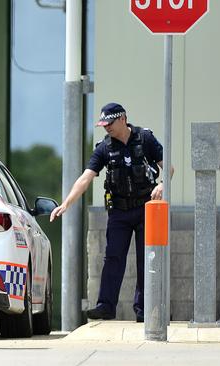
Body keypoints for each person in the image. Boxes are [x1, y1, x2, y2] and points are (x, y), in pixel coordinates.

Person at [50, 102, 173, 323]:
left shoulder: (145, 139)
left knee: (148, 259)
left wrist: (162, 184)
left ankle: (145, 310)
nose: (106, 128)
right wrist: (66, 203)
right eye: (103, 124)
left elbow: (169, 166)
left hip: (146, 209)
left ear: (122, 119)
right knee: (113, 258)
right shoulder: (104, 148)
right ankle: (106, 307)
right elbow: (86, 177)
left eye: (109, 123)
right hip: (118, 213)